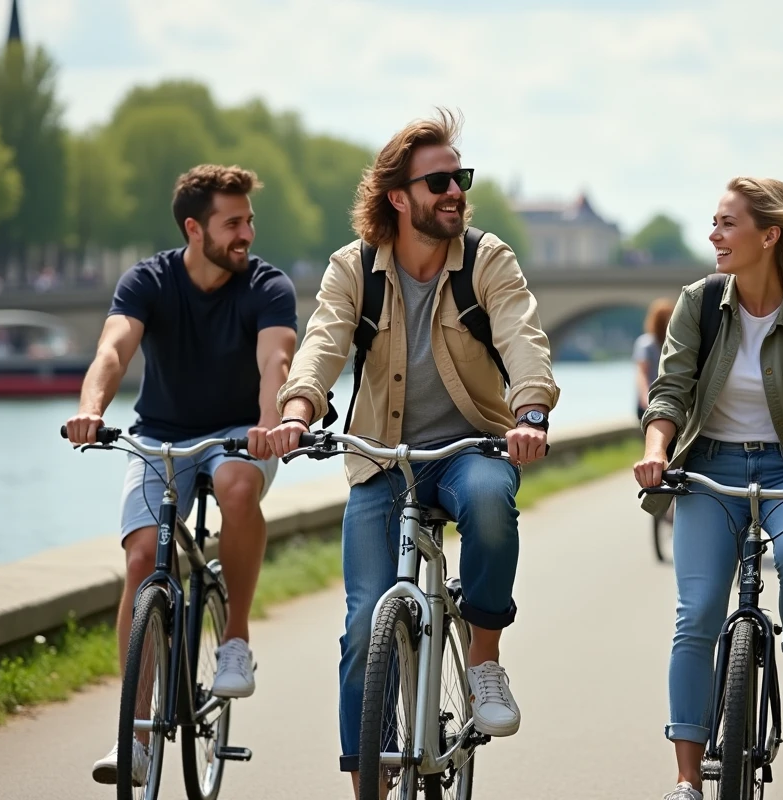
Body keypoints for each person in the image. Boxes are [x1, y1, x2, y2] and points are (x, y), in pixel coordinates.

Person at [267, 109, 559, 799]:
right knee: (364, 630)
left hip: (470, 447)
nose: (455, 190)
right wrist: (297, 410)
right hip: (383, 458)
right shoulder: (354, 269)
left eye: (461, 177)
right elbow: (322, 344)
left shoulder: (488, 259)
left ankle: (484, 662)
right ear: (399, 196)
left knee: (491, 501)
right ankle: (367, 786)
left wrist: (531, 413)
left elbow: (523, 338)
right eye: (439, 181)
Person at [632, 177, 783, 800]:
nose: (713, 235)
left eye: (726, 224)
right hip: (709, 466)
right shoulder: (699, 301)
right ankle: (687, 780)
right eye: (713, 223)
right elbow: (671, 389)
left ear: (768, 236)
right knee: (696, 618)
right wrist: (656, 451)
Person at [63, 165, 298, 785]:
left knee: (239, 486)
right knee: (143, 559)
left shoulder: (267, 286)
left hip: (239, 434)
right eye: (233, 222)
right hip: (159, 435)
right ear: (194, 229)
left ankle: (236, 638)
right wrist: (92, 409)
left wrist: (270, 422)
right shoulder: (148, 280)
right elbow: (113, 349)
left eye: (249, 220)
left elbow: (276, 359)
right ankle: (135, 736)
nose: (247, 232)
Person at [635, 299, 674, 419]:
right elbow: (642, 373)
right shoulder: (646, 343)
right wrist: (646, 399)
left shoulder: (673, 344)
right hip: (651, 400)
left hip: (669, 400)